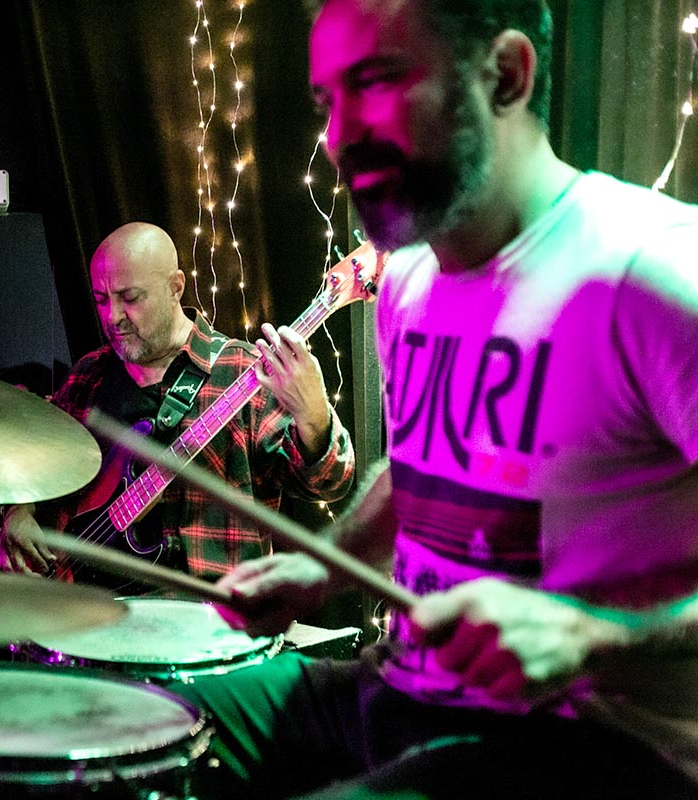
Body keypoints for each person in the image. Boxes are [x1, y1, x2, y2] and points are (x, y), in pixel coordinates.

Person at [167, 1, 698, 798]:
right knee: (126, 731)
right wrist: (317, 569)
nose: (339, 135)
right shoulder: (407, 279)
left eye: (377, 82)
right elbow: (418, 476)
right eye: (328, 100)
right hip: (398, 689)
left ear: (506, 74)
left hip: (592, 742)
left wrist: (588, 634)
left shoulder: (654, 273)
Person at [0, 221, 355, 587]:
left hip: (210, 611)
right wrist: (19, 511)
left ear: (175, 287)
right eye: (102, 299)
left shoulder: (243, 372)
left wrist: (314, 413)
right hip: (89, 608)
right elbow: (39, 464)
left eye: (130, 298)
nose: (112, 317)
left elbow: (328, 485)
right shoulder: (89, 376)